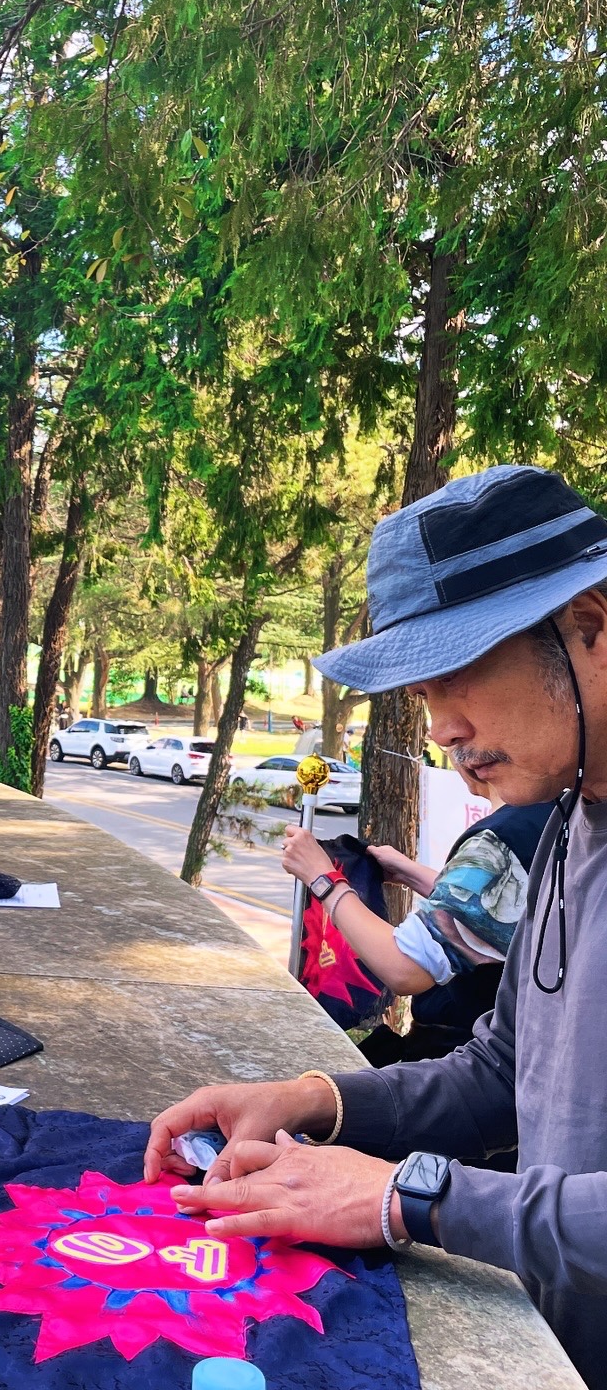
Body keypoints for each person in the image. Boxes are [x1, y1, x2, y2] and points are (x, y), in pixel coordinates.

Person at [144, 465, 607, 1388]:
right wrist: (313, 1100)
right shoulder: (566, 821)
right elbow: (504, 1076)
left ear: (590, 625)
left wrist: (411, 1197)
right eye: (419, 696)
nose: (440, 731)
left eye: (455, 678)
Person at [282, 766, 552, 1064]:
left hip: (472, 1066)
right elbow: (492, 913)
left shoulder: (507, 834)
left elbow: (405, 968)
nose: (442, 735)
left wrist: (322, 878)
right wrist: (410, 873)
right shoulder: (558, 814)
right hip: (521, 1058)